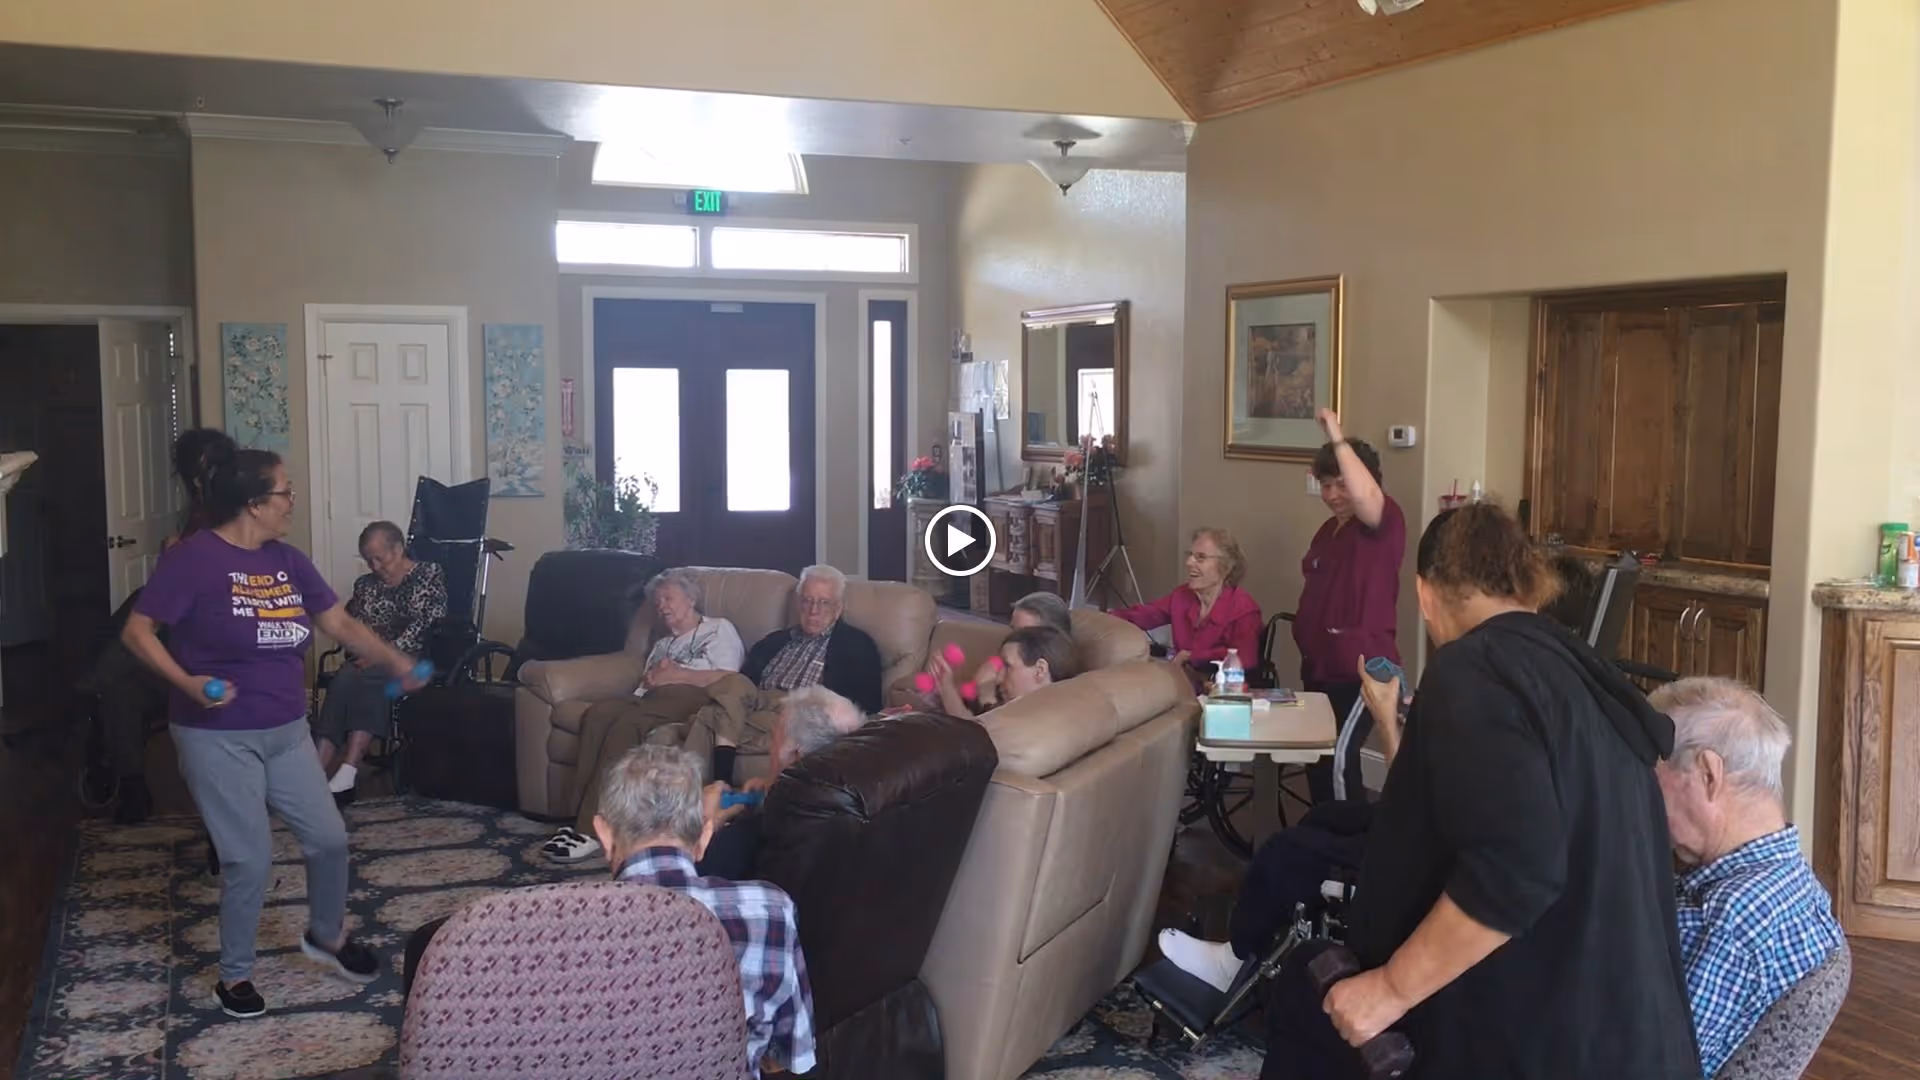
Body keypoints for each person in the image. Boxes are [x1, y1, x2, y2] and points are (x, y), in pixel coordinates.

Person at [1260, 502, 1698, 1080]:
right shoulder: (1587, 678)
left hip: (1542, 1044)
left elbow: (1515, 870)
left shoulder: (1472, 670)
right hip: (1627, 1038)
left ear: (1424, 594)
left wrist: (1389, 990)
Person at [121, 439, 428, 1020]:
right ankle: (234, 975)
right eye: (286, 492)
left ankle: (326, 936)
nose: (293, 501)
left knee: (328, 838)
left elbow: (337, 622)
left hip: (286, 730)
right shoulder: (192, 559)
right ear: (255, 503)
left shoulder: (288, 560)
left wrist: (395, 662)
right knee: (249, 858)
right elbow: (137, 632)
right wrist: (188, 683)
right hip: (216, 735)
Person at [406, 744, 816, 1078]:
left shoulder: (524, 932)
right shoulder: (770, 911)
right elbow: (790, 1056)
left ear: (603, 834)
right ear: (705, 836)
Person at [1157, 654, 1406, 991]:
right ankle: (1276, 928)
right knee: (1327, 815)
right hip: (1417, 820)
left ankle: (1231, 962)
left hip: (1422, 848)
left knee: (1285, 851)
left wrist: (1387, 723)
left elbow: (1411, 789)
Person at [1649, 677, 1844, 1076]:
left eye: (1647, 773)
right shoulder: (1799, 888)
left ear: (1708, 774)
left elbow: (1643, 1067)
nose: (1637, 793)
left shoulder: (1725, 924)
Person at [79, 428, 238, 823]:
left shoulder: (236, 509)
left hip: (210, 638)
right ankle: (133, 786)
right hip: (176, 629)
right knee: (120, 688)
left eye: (204, 471)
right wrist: (173, 554)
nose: (197, 482)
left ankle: (92, 680)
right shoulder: (196, 511)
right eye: (193, 474)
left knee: (124, 643)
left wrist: (177, 555)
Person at [541, 569, 746, 861]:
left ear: (690, 599)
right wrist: (649, 684)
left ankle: (591, 830)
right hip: (651, 698)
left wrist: (676, 675)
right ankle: (574, 817)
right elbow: (646, 684)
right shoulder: (662, 644)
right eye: (658, 601)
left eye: (668, 598)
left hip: (694, 697)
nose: (662, 606)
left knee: (627, 725)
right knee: (598, 714)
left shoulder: (718, 629)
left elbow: (729, 678)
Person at [1293, 410, 1406, 803]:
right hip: (1321, 665)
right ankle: (1324, 828)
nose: (1332, 494)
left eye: (1341, 483)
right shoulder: (1328, 531)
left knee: (1340, 755)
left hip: (1364, 667)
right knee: (1317, 755)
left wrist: (1335, 434)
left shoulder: (1383, 521)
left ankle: (1347, 834)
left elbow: (1366, 498)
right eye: (1326, 485)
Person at [312, 520, 448, 796]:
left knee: (374, 678)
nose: (374, 566)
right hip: (369, 658)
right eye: (368, 560)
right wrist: (367, 651)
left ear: (398, 549)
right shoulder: (365, 585)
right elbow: (353, 625)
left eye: (379, 558)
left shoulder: (428, 574)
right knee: (344, 679)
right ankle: (315, 772)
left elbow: (426, 624)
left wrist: (384, 654)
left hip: (415, 661)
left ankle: (349, 767)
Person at [695, 683, 870, 880]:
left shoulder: (759, 833)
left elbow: (689, 879)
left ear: (795, 754)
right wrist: (773, 787)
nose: (772, 747)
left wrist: (709, 821)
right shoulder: (862, 805)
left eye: (775, 737)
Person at [1111, 526, 1261, 691]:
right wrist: (1100, 619)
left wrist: (1193, 656)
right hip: (1185, 686)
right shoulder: (1182, 596)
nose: (1189, 563)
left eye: (1201, 557)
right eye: (1190, 555)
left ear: (1225, 566)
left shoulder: (1243, 609)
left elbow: (1245, 660)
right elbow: (1142, 615)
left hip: (1226, 692)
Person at [924, 625, 1077, 718]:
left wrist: (947, 689)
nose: (998, 678)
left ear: (1040, 670)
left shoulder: (1041, 718)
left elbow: (975, 737)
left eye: (1007, 666)